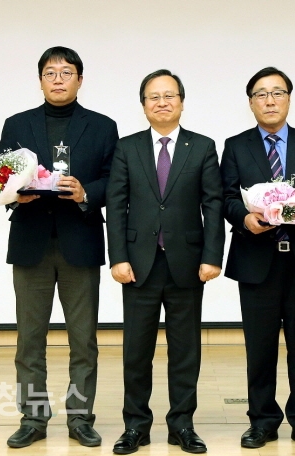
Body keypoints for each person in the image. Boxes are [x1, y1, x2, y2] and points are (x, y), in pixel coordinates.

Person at [0, 46, 118, 449]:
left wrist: (86, 192)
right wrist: (15, 194)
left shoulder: (102, 126)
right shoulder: (17, 124)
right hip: (31, 242)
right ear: (40, 80)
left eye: (66, 72)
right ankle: (33, 417)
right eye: (50, 73)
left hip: (80, 241)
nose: (58, 79)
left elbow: (114, 181)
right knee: (30, 339)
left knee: (83, 340)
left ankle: (80, 418)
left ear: (80, 79)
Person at [220, 67, 295, 450]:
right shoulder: (236, 146)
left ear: (289, 98)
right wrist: (244, 219)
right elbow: (225, 197)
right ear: (251, 102)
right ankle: (262, 421)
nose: (269, 101)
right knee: (260, 348)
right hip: (257, 259)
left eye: (277, 93)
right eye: (261, 94)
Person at [106, 69, 225, 454]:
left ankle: (182, 426)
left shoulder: (202, 147)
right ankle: (135, 426)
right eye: (153, 97)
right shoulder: (127, 148)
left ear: (182, 102)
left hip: (187, 264)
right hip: (138, 265)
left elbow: (213, 204)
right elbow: (116, 206)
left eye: (169, 95)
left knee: (185, 351)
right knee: (136, 351)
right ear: (143, 105)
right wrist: (118, 257)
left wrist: (212, 256)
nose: (162, 102)